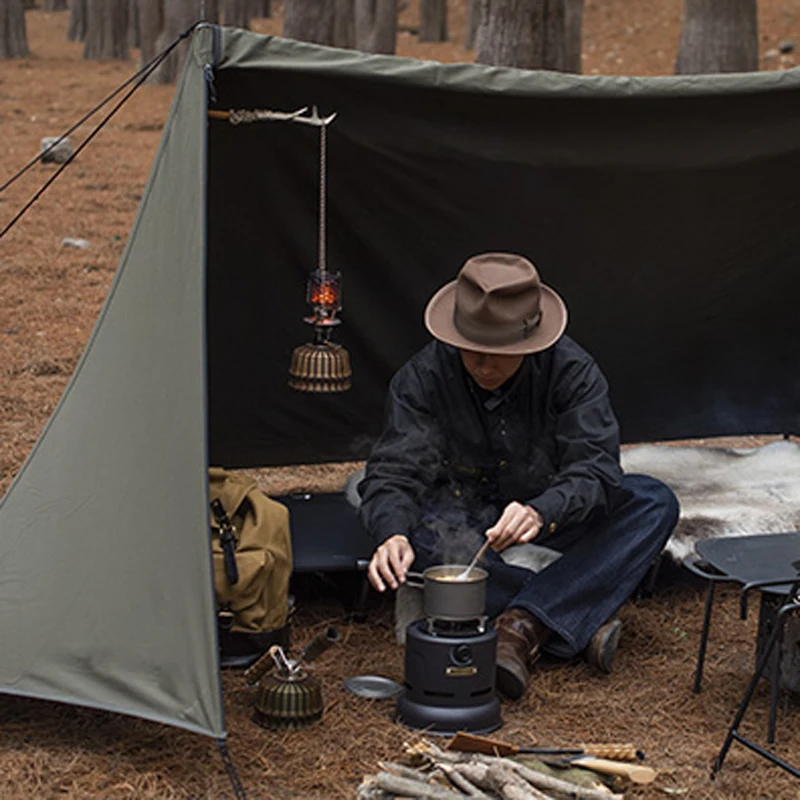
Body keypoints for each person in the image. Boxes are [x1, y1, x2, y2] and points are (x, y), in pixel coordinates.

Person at [358, 252, 679, 700]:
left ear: (532, 344)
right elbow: (392, 471)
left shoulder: (573, 371)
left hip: (550, 514)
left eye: (501, 354)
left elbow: (597, 471)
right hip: (460, 524)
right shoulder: (423, 377)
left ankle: (520, 622)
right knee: (414, 532)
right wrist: (391, 533)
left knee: (653, 501)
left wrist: (541, 510)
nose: (485, 366)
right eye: (474, 351)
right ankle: (560, 621)